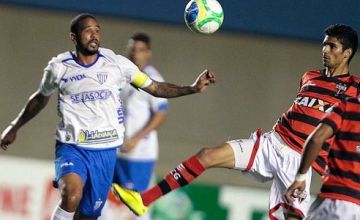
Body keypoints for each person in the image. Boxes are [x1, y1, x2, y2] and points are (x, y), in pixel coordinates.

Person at [112, 24, 360, 220]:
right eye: (324, 45)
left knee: (293, 217)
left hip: (297, 163)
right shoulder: (310, 77)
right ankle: (143, 200)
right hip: (272, 143)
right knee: (207, 155)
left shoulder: (354, 89)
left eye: (333, 47)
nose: (325, 51)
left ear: (347, 53)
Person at [0, 14, 215, 220]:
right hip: (72, 146)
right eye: (87, 31)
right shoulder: (59, 67)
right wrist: (14, 126)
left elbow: (156, 88)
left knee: (89, 215)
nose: (94, 35)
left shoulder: (118, 64)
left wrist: (192, 88)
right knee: (71, 195)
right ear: (74, 37)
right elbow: (40, 98)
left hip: (106, 151)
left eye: (97, 30)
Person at [114, 33, 169, 220]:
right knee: (108, 201)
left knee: (136, 204)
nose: (135, 54)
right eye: (132, 49)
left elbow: (161, 114)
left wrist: (136, 139)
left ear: (148, 53)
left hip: (140, 153)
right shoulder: (122, 75)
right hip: (118, 149)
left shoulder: (152, 79)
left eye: (140, 50)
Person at [284, 98, 360, 219]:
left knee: (292, 214)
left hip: (337, 200)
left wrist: (300, 177)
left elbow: (316, 138)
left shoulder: (348, 106)